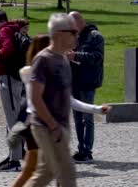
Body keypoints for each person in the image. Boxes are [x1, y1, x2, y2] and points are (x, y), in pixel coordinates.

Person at [11, 34, 111, 187]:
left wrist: (96, 109)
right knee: (39, 171)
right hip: (41, 127)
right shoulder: (34, 73)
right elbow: (36, 101)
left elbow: (68, 100)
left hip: (48, 127)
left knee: (48, 171)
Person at [24, 13, 79, 187]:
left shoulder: (63, 58)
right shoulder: (43, 59)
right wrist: (54, 126)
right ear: (59, 34)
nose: (76, 35)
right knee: (67, 174)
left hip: (58, 127)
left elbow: (65, 97)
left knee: (44, 174)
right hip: (46, 127)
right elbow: (35, 97)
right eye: (73, 32)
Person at [67, 11, 105, 163]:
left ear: (79, 22)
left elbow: (97, 57)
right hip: (74, 81)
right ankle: (80, 147)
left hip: (88, 81)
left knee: (87, 117)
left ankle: (87, 150)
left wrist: (77, 56)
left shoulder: (95, 36)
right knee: (77, 118)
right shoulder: (73, 36)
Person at [0, 10, 23, 172]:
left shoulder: (4, 31)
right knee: (11, 118)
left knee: (12, 120)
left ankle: (15, 160)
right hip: (15, 78)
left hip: (9, 79)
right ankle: (11, 155)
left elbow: (8, 49)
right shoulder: (14, 29)